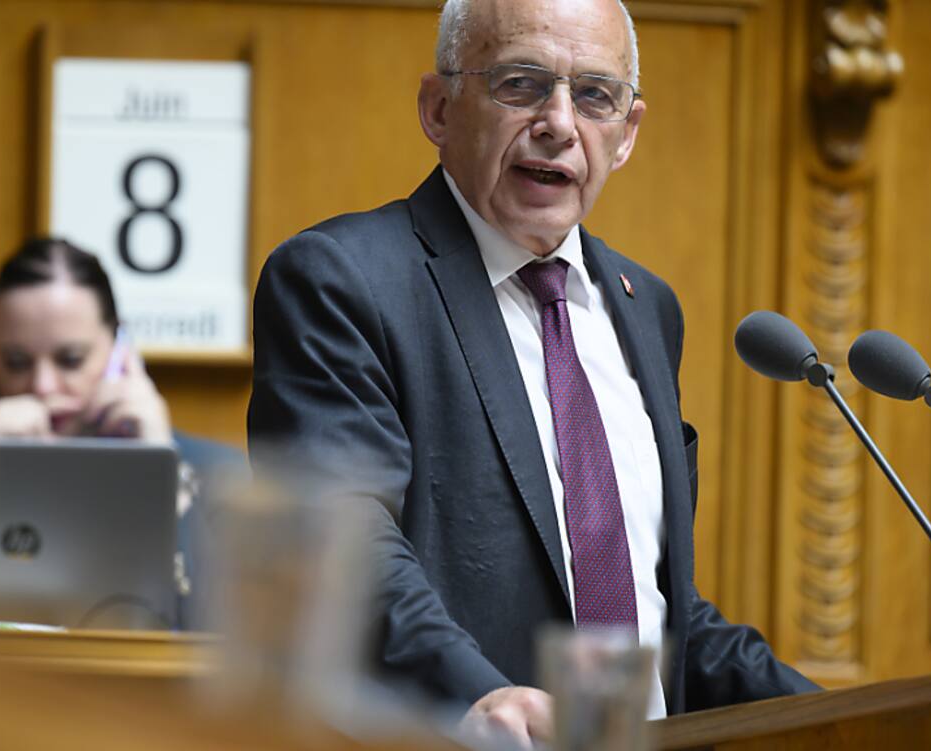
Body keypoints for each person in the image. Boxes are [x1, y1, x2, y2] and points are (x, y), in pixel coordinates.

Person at [247, 0, 818, 744]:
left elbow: (653, 603)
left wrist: (859, 720)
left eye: (594, 95)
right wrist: (477, 696)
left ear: (626, 134)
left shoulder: (647, 308)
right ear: (438, 108)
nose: (558, 123)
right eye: (520, 84)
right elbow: (341, 539)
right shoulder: (343, 280)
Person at [0, 236, 241, 630]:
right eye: (16, 362)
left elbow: (228, 641)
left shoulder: (219, 477)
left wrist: (163, 475)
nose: (42, 386)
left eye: (70, 359)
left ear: (119, 350)